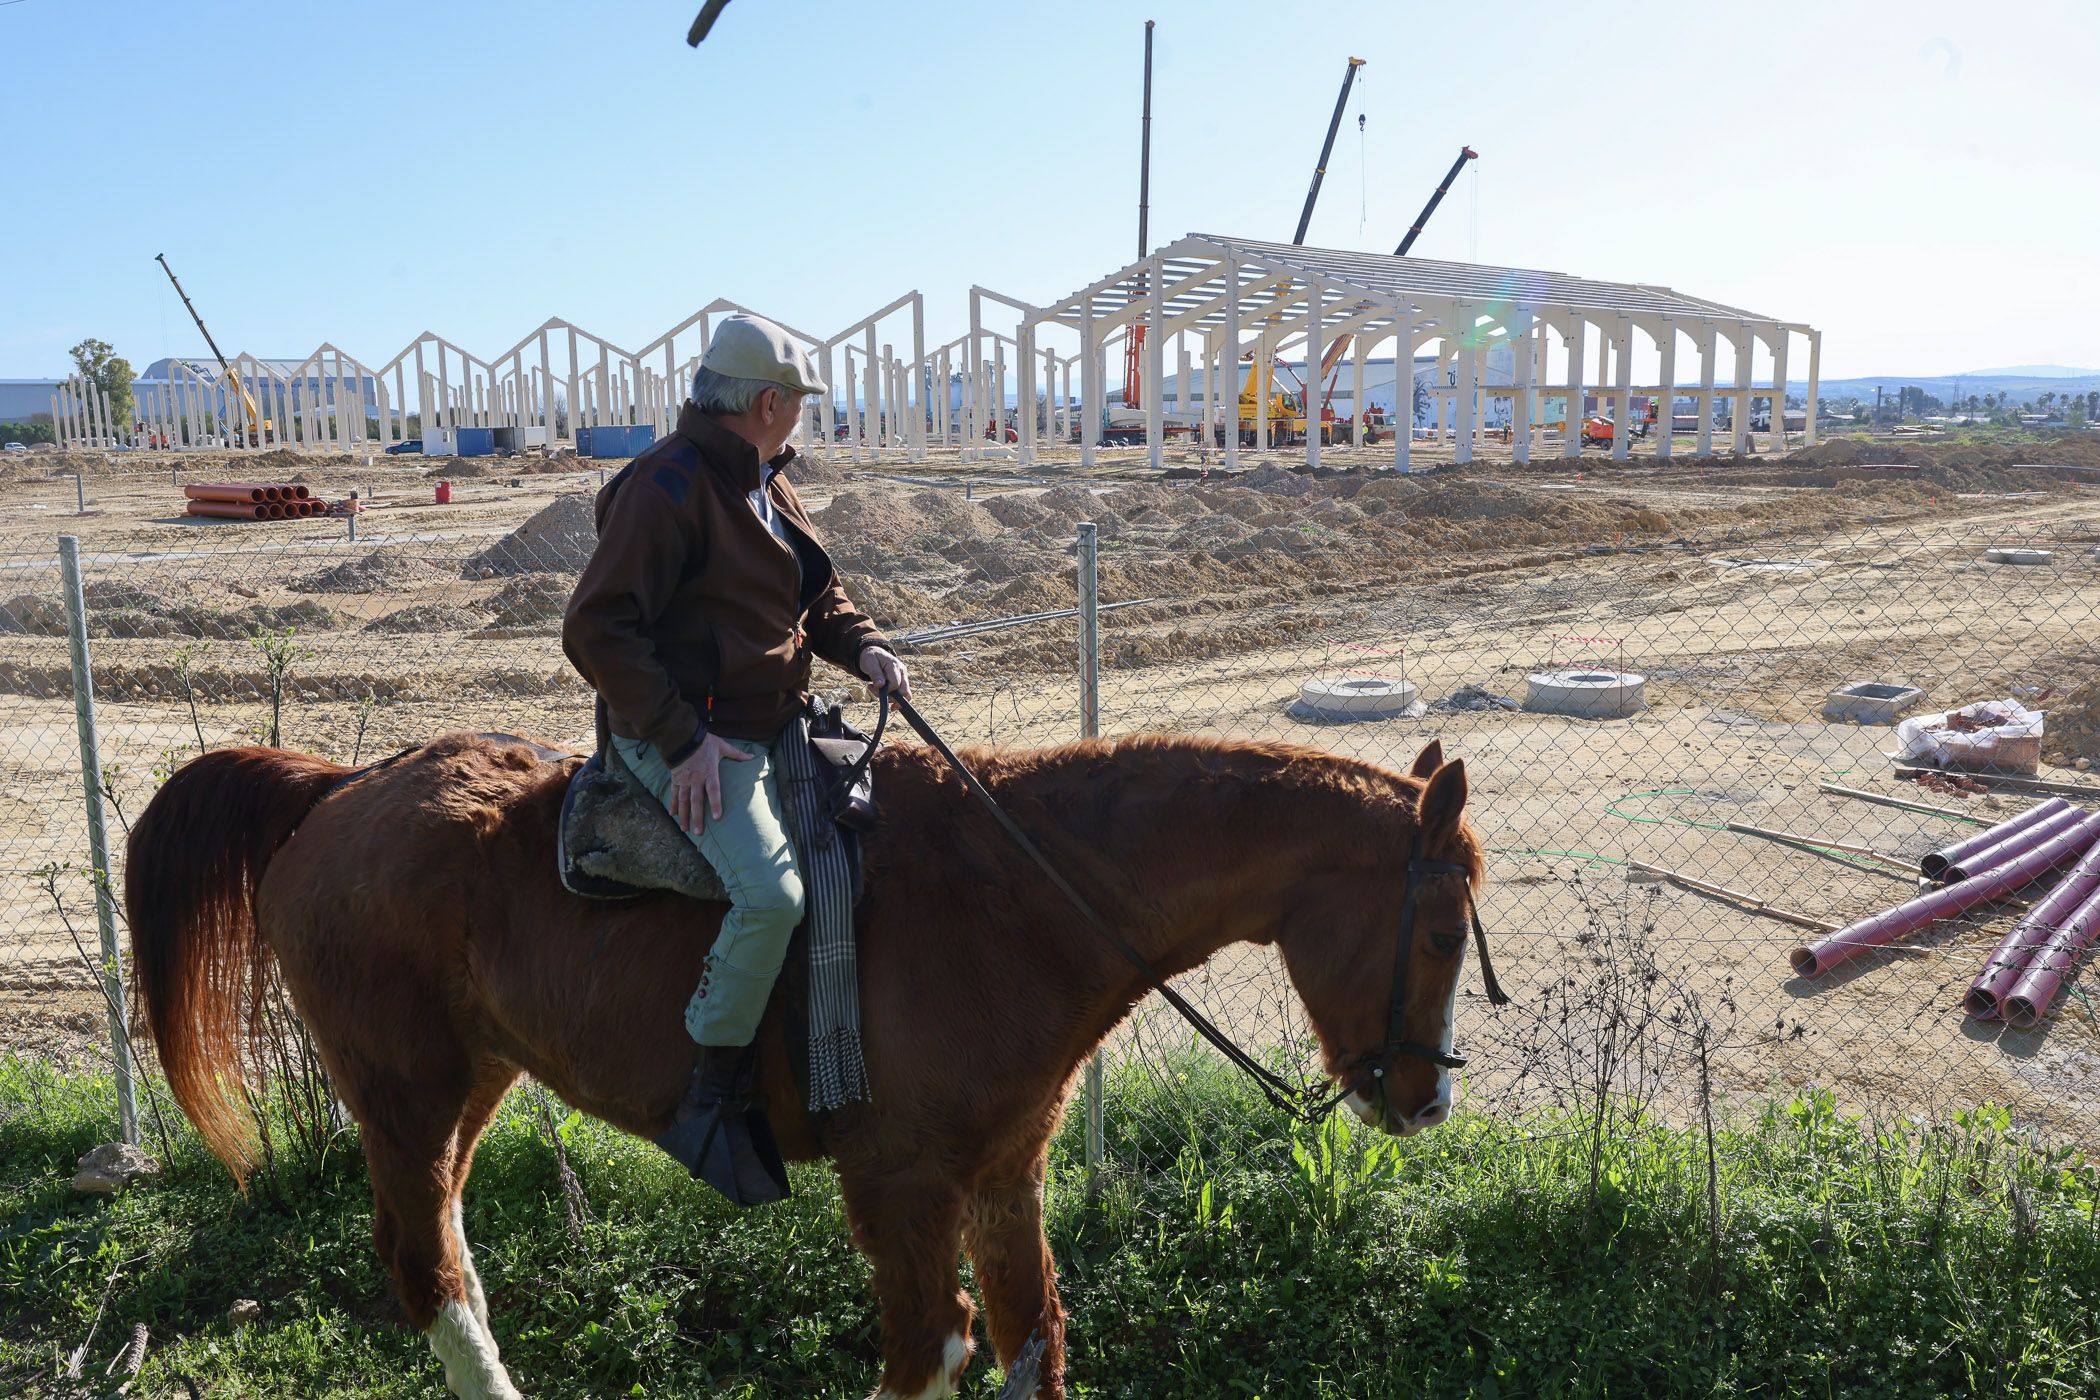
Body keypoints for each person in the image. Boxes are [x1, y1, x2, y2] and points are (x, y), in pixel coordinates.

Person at [562, 313, 910, 1205]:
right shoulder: (664, 488)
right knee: (774, 895)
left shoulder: (761, 477)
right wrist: (681, 743)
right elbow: (597, 628)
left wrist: (862, 647)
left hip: (772, 720)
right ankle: (709, 1096)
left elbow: (815, 587)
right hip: (694, 736)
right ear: (766, 402)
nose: (801, 417)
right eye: (798, 402)